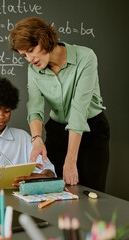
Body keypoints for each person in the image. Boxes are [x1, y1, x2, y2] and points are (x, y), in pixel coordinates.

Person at [9, 17, 110, 191]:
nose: (30, 59)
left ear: (44, 39)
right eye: (24, 55)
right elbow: (35, 107)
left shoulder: (85, 57)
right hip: (58, 132)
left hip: (91, 131)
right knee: (54, 190)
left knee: (90, 194)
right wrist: (37, 139)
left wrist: (70, 160)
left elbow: (79, 111)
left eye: (31, 50)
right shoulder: (33, 70)